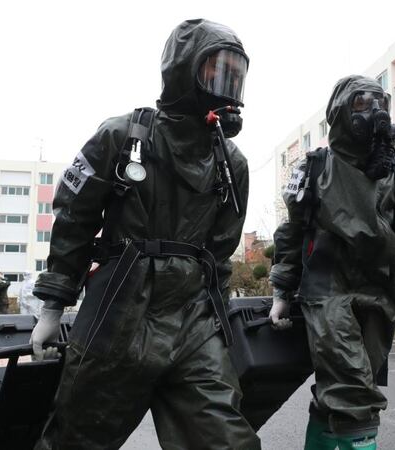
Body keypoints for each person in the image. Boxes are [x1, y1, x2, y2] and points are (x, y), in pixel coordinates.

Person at [29, 19, 260, 450]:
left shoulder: (232, 163)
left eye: (235, 75)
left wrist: (217, 317)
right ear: (183, 69)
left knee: (227, 441)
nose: (226, 85)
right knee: (77, 437)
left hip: (193, 318)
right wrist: (53, 304)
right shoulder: (122, 137)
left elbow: (222, 250)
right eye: (216, 70)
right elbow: (74, 218)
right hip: (120, 311)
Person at [269, 75, 395, 450]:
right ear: (341, 113)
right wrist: (283, 288)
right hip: (328, 292)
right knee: (353, 394)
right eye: (362, 104)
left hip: (381, 294)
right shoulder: (315, 169)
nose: (374, 112)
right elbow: (293, 233)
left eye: (380, 102)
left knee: (341, 393)